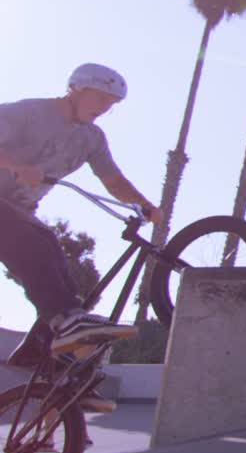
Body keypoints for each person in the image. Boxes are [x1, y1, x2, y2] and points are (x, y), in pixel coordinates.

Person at [0, 63, 161, 370]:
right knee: (35, 245)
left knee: (56, 262)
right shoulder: (29, 113)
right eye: (101, 99)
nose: (105, 108)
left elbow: (113, 181)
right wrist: (14, 166)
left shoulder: (92, 139)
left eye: (111, 104)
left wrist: (146, 205)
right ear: (77, 89)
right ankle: (64, 322)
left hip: (17, 213)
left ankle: (44, 352)